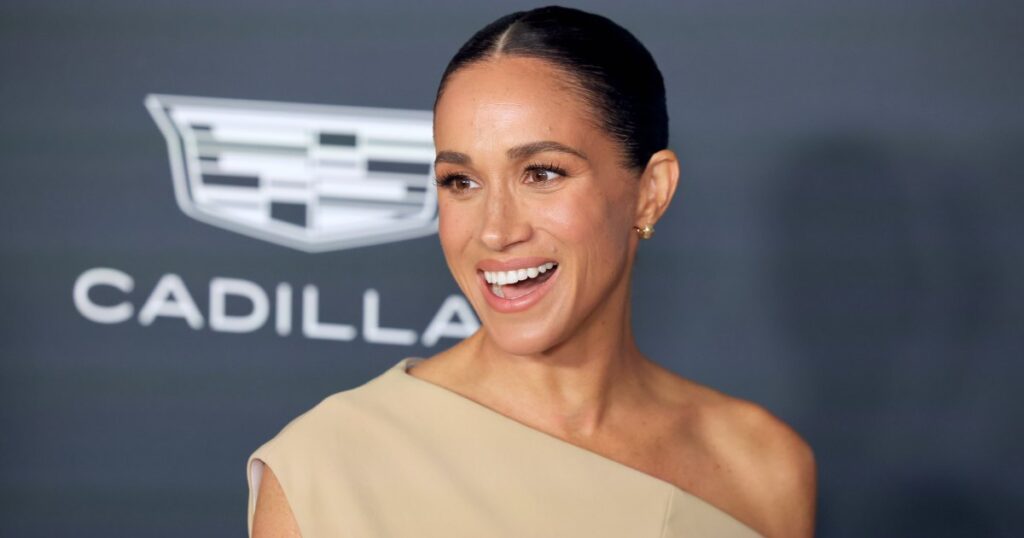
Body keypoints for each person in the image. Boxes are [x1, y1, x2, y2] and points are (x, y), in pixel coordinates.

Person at [247, 6, 816, 537]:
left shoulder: (762, 465)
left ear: (650, 192)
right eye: (461, 181)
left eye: (542, 173)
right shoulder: (326, 471)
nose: (495, 230)